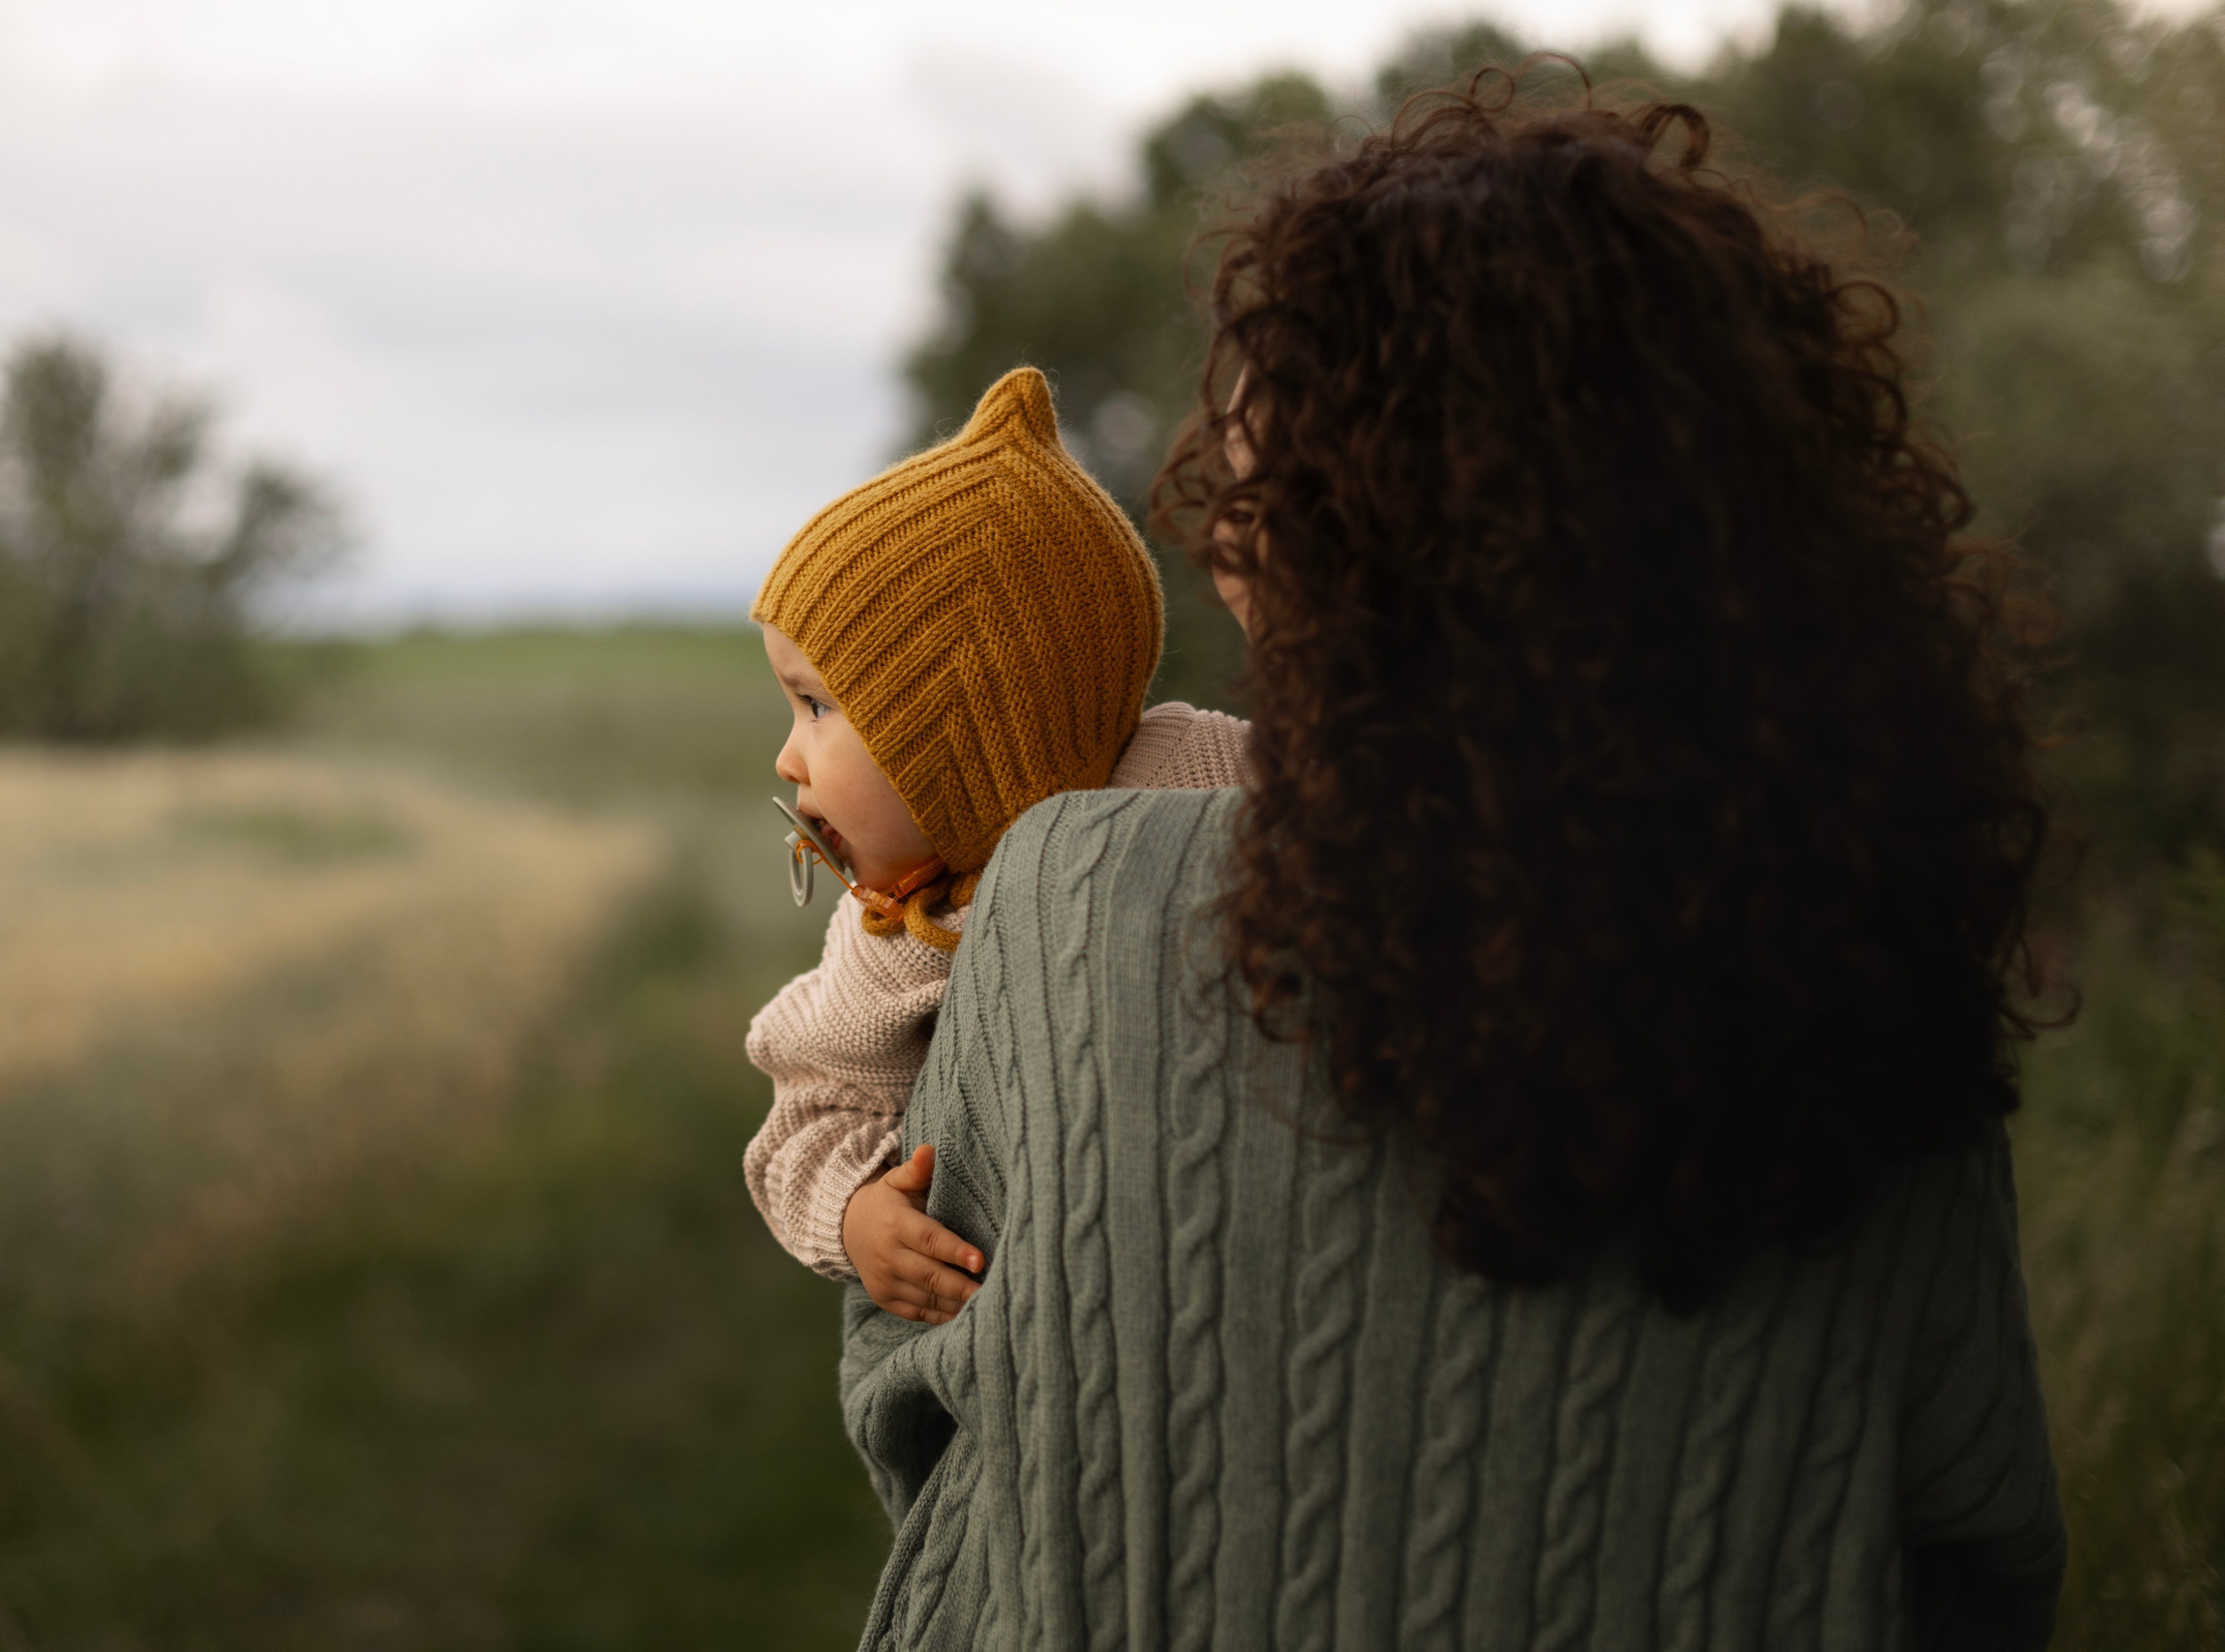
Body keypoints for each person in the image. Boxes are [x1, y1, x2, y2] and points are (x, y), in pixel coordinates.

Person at [842, 81, 2067, 1651]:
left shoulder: (1076, 894)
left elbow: (910, 1380)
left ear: (1306, 531)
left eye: (1251, 463)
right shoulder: (1878, 982)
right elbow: (1976, 1540)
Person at [741, 365, 1250, 1322]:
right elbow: (811, 1112)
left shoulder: (1197, 774)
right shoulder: (895, 936)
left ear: (968, 726)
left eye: (816, 706)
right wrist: (855, 1216)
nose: (787, 756)